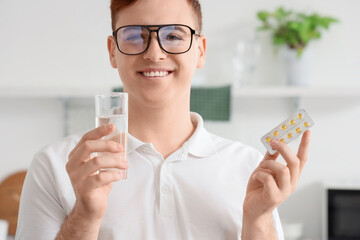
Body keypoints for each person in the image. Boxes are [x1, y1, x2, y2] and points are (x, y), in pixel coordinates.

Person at [16, 0, 311, 239]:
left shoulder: (249, 168)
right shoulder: (55, 166)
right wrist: (85, 215)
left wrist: (257, 221)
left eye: (173, 36)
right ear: (112, 52)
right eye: (134, 36)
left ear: (200, 51)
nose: (154, 53)